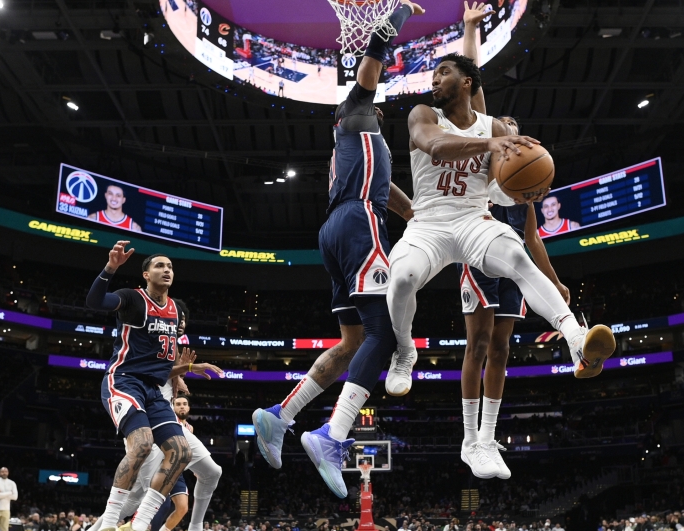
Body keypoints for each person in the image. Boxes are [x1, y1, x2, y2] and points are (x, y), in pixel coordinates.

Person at [249, 0, 421, 485]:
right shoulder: (355, 113)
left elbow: (395, 200)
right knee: (385, 335)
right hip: (357, 225)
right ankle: (333, 434)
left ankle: (279, 416)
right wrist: (401, 14)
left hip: (339, 228)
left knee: (353, 342)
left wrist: (426, 218)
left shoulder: (364, 152)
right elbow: (374, 51)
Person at [384, 42, 615, 400]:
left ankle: (575, 338)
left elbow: (498, 188)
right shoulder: (423, 114)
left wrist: (525, 193)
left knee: (519, 257)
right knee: (401, 279)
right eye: (433, 76)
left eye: (443, 73)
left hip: (474, 219)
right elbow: (435, 146)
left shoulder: (493, 127)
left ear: (466, 83)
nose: (435, 81)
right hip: (428, 223)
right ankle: (404, 351)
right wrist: (489, 145)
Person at [451, 3, 572, 480]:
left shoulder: (523, 190)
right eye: (507, 135)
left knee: (501, 350)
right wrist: (470, 28)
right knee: (477, 346)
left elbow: (532, 241)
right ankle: (467, 436)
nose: (512, 141)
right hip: (477, 256)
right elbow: (473, 85)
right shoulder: (484, 159)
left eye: (518, 137)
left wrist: (555, 282)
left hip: (511, 261)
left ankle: (487, 438)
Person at [85, 242, 216, 531]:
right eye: (160, 266)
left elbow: (162, 364)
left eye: (170, 267)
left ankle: (139, 524)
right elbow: (95, 302)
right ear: (146, 274)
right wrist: (110, 269)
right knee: (142, 443)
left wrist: (186, 369)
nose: (167, 270)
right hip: (124, 380)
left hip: (153, 390)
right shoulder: (133, 299)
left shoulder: (175, 311)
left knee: (181, 451)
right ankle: (107, 523)